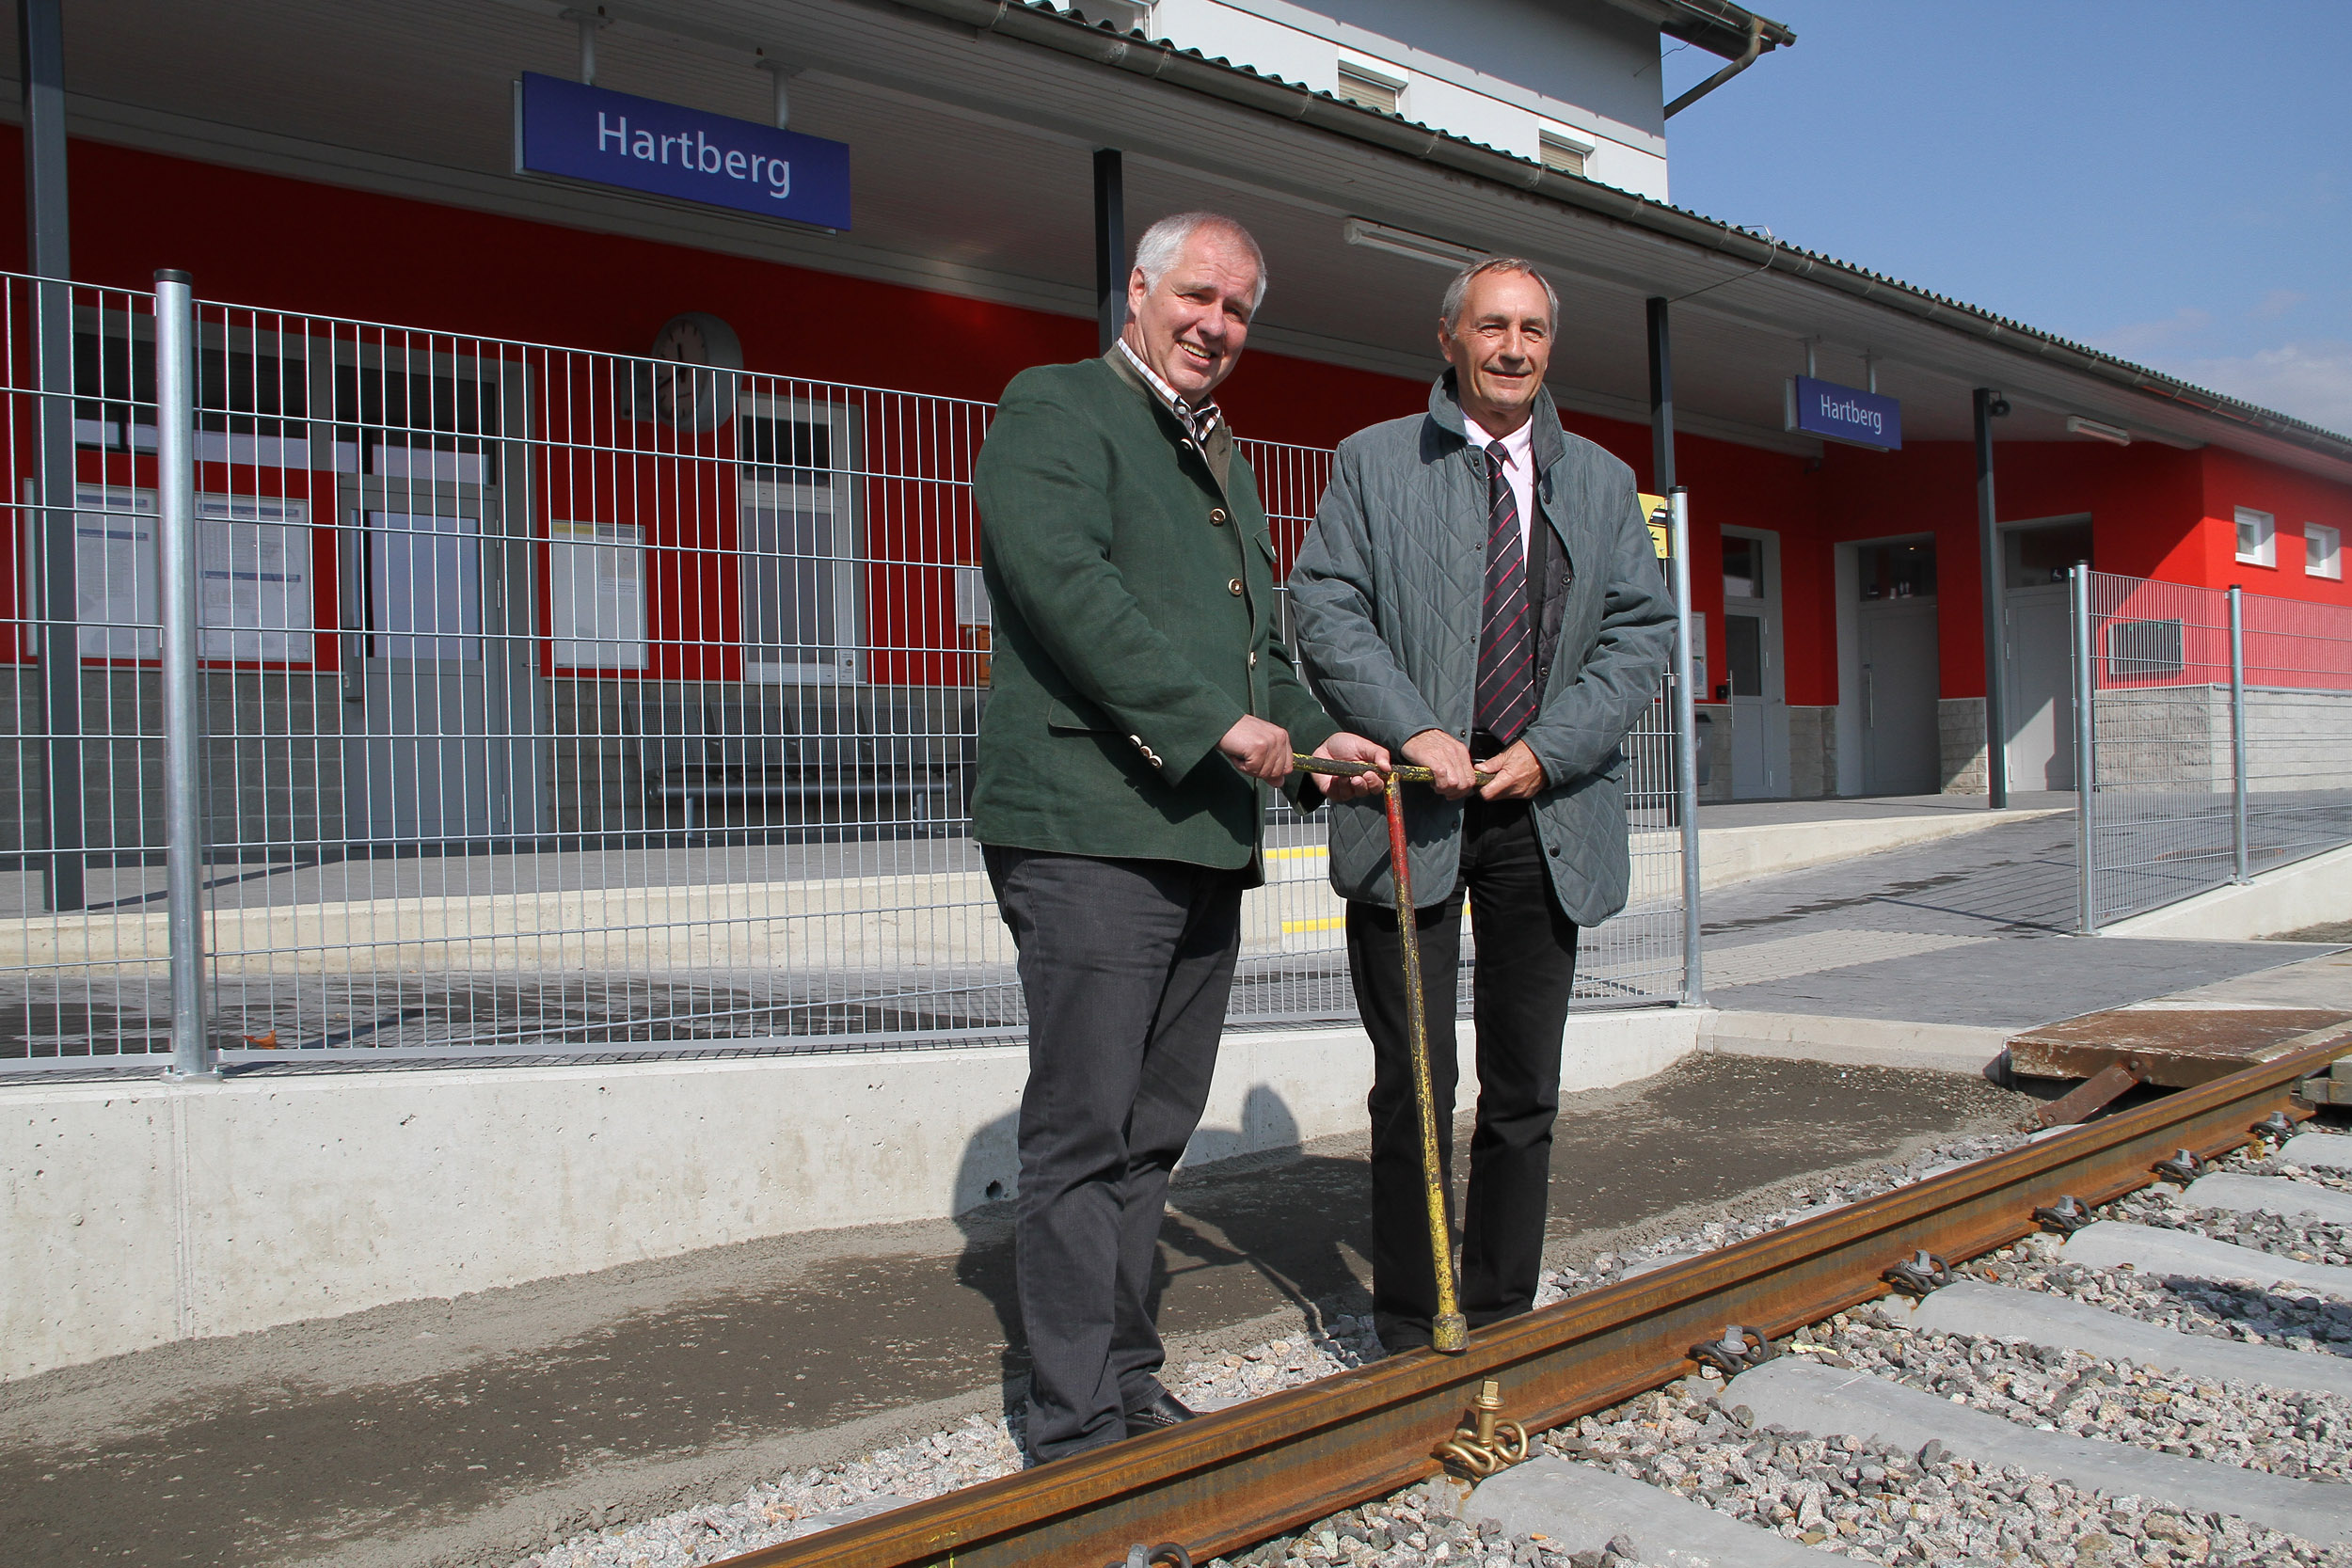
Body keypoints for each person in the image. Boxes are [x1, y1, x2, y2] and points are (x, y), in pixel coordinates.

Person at [971, 211, 1388, 1461]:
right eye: (1198, 295)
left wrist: (1329, 748)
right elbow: (1066, 589)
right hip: (1091, 831)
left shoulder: (1221, 456)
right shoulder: (1055, 407)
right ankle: (1072, 1418)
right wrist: (1215, 724)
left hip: (1199, 838)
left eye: (1240, 308)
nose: (1217, 323)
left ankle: (1123, 1375)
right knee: (1085, 1129)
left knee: (1150, 1131)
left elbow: (1259, 657)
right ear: (1140, 290)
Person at [1286, 257, 1675, 1353]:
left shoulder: (1600, 479)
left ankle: (1501, 1306)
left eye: (1534, 330)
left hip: (1544, 814)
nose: (1513, 347)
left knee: (1523, 1085)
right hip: (1412, 805)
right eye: (1492, 326)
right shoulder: (1372, 463)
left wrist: (1551, 751)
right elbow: (1324, 603)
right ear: (1448, 336)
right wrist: (1412, 726)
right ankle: (1413, 1318)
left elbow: (1639, 632)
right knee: (1414, 1082)